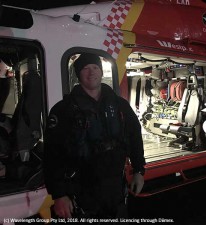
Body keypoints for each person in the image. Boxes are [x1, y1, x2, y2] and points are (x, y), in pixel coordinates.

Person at [43, 53, 146, 220]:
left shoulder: (120, 105)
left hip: (115, 189)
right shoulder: (63, 110)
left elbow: (135, 136)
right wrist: (59, 195)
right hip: (80, 190)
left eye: (95, 67)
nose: (91, 73)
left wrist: (139, 170)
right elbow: (51, 154)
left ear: (102, 72)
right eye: (85, 68)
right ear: (78, 74)